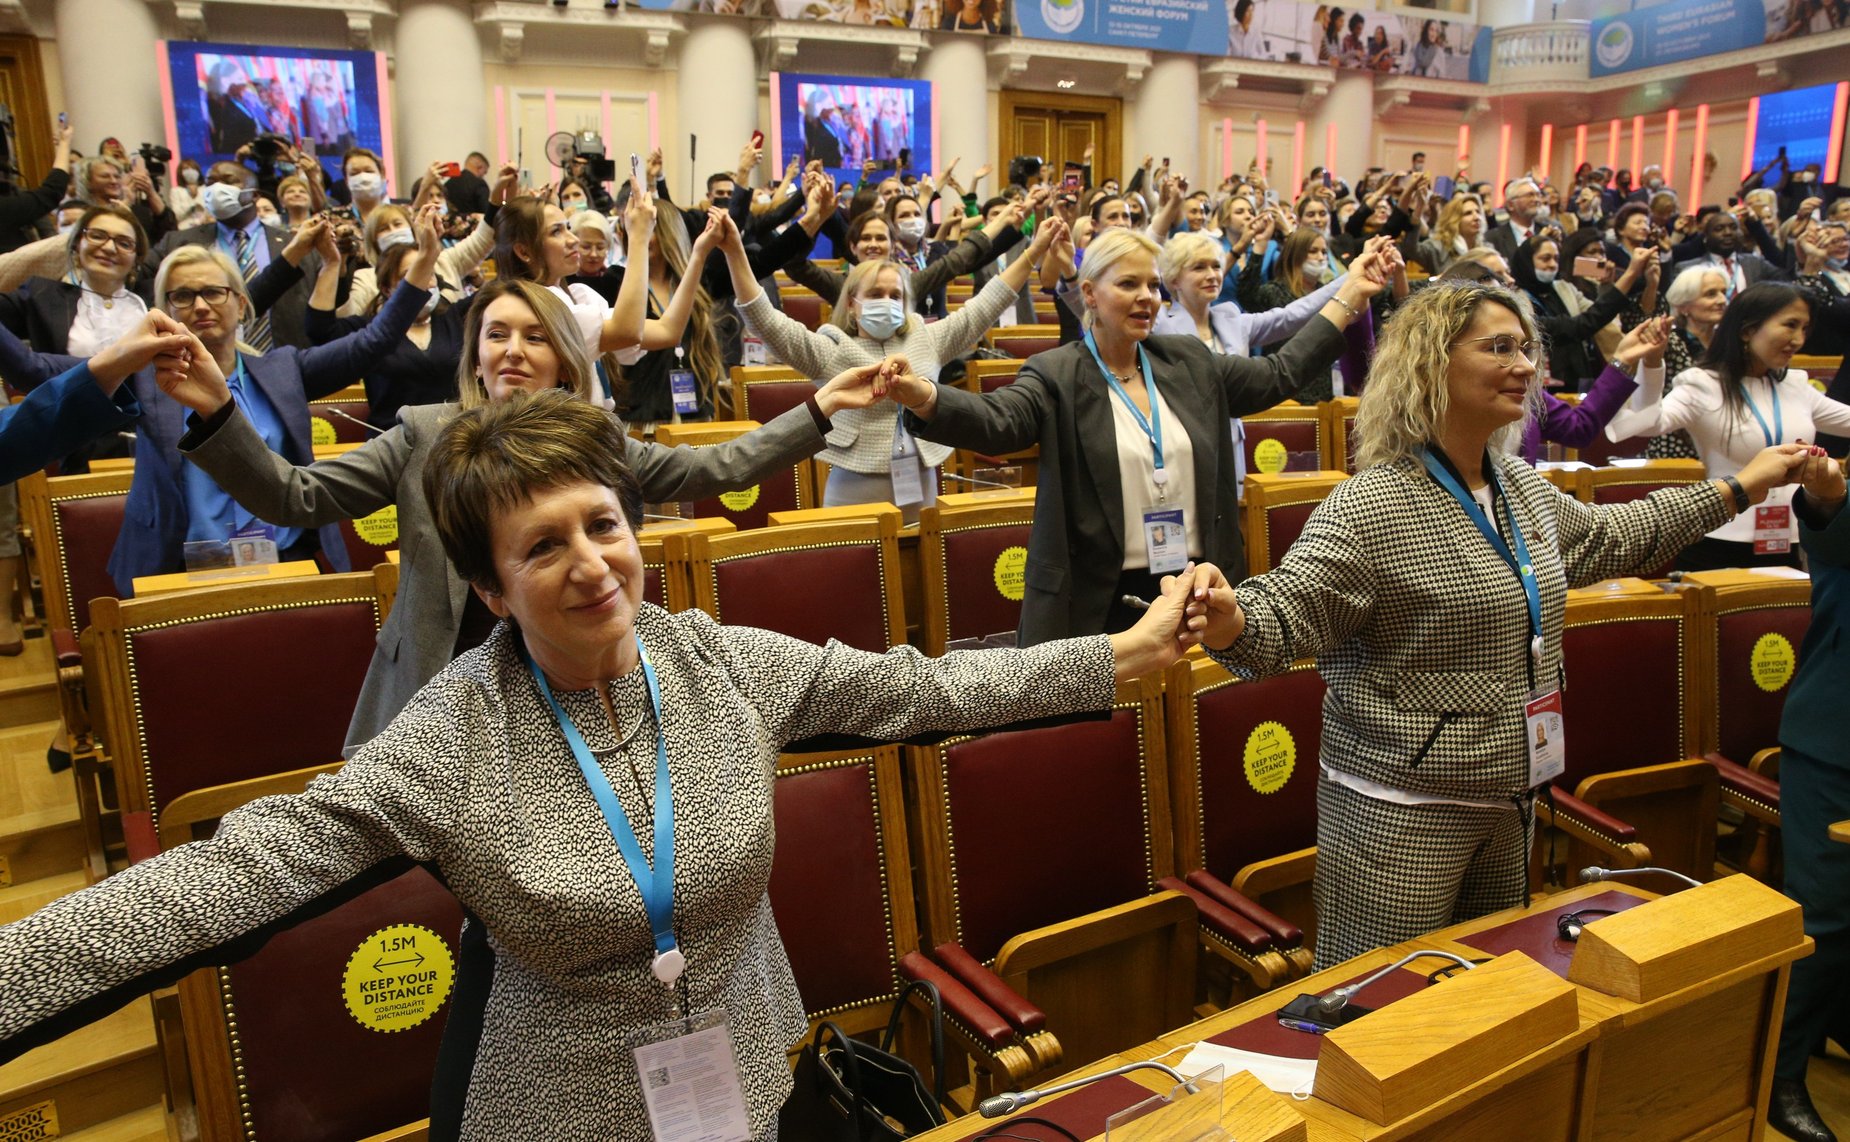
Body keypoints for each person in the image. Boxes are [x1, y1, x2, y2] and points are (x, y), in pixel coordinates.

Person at [0, 383, 1211, 1139]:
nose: (592, 564)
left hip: (742, 1070)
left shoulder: (718, 660)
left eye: (605, 524)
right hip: (559, 1104)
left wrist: (1117, 657)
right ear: (488, 587)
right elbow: (231, 876)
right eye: (543, 546)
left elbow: (922, 684)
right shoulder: (454, 733)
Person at [1158, 281, 1810, 967]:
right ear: (1431, 363)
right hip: (1401, 813)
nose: (1525, 366)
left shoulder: (1514, 484)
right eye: (1499, 348)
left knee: (1481, 1003)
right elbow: (1284, 614)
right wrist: (1230, 619)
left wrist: (1738, 487)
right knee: (1383, 1016)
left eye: (1526, 349)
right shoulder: (1371, 505)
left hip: (1511, 793)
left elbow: (1612, 538)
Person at [170, 278, 882, 755]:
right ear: (475, 355)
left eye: (535, 337)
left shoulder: (592, 441)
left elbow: (710, 471)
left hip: (566, 676)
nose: (513, 351)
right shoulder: (423, 432)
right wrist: (217, 411)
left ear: (565, 362)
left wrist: (819, 409)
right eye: (496, 334)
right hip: (436, 687)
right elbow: (295, 497)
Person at [884, 226, 1386, 640]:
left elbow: (1279, 373)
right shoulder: (1056, 372)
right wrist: (922, 396)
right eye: (1128, 284)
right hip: (1095, 603)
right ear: (1090, 295)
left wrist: (1351, 295)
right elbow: (998, 422)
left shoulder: (1188, 362)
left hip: (1198, 589)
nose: (1146, 297)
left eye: (1152, 285)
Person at [0, 209, 443, 595]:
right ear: (164, 310)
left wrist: (423, 263)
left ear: (241, 302)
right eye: (182, 296)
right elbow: (32, 371)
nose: (200, 306)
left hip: (286, 561)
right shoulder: (147, 378)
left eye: (214, 291)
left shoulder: (283, 370)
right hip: (177, 568)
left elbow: (373, 341)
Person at [724, 208, 1061, 520]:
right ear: (853, 306)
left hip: (923, 478)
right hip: (855, 488)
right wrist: (735, 253)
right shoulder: (832, 347)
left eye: (894, 295)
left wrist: (1033, 253)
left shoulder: (925, 338)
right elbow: (765, 320)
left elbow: (986, 304)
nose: (886, 302)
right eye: (874, 295)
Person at [1604, 283, 1850, 571]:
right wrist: (1653, 363)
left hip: (1793, 544)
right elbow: (1640, 424)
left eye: (1805, 329)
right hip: (1720, 543)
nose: (1798, 339)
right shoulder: (1702, 384)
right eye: (1790, 325)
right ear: (1747, 330)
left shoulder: (1794, 385)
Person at [1767, 448, 1850, 1142]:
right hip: (1836, 744)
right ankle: (1779, 1074)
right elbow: (1831, 520)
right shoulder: (1841, 492)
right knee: (1823, 917)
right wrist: (1825, 495)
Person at [1509, 234, 1648, 391]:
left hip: (1580, 375)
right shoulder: (1517, 301)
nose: (1552, 264)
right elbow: (1580, 325)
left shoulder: (1564, 287)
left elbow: (1597, 314)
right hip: (1543, 386)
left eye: (1556, 258)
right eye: (1545, 258)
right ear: (1527, 261)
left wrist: (1607, 286)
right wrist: (1631, 274)